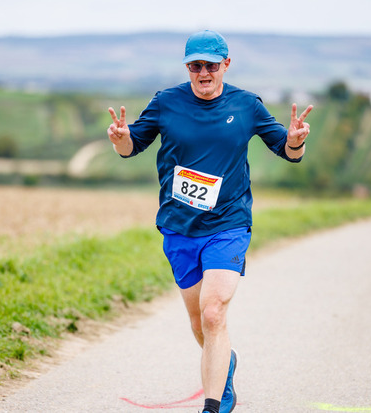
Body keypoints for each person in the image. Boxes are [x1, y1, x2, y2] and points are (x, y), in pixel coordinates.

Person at [107, 30, 312, 413]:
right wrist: (120, 138)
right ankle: (224, 360)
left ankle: (212, 405)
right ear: (187, 67)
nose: (203, 73)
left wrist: (296, 139)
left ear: (226, 65)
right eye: (196, 66)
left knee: (214, 312)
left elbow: (288, 151)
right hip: (179, 226)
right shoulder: (166, 102)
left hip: (228, 224)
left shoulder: (246, 105)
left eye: (211, 66)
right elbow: (132, 146)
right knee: (200, 323)